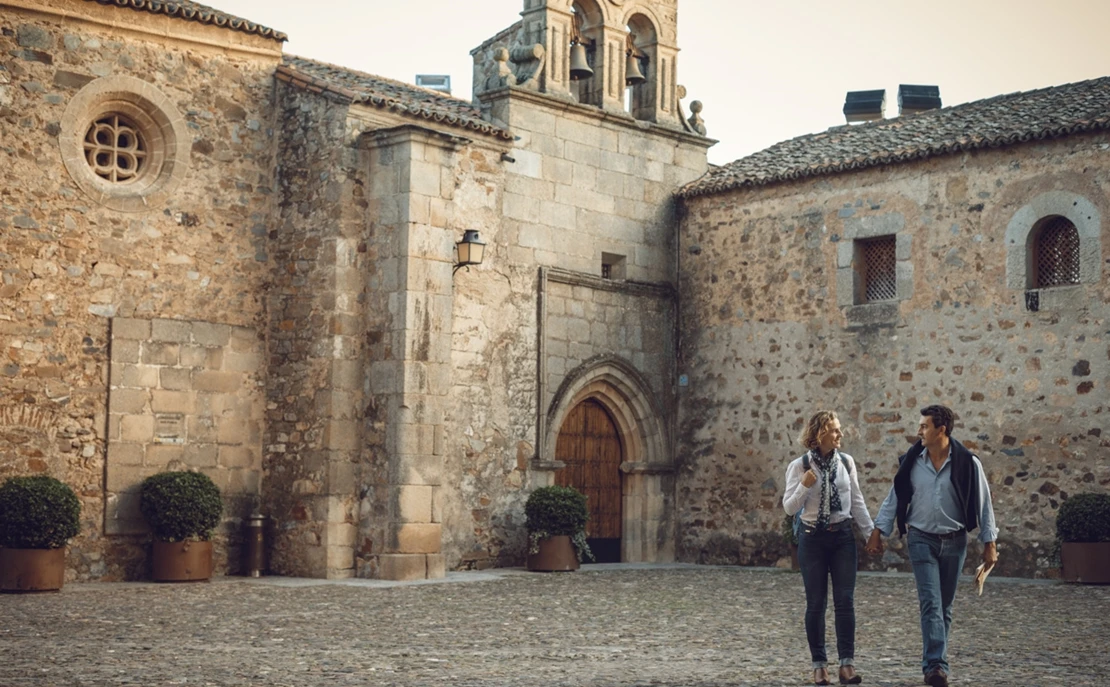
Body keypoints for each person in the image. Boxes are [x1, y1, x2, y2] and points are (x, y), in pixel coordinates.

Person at [866, 405, 998, 687]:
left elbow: (984, 504)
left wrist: (990, 543)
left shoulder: (968, 463)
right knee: (931, 604)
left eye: (924, 426)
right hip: (921, 539)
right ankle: (936, 666)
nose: (919, 431)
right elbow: (895, 497)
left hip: (955, 541)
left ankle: (937, 661)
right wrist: (879, 531)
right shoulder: (912, 462)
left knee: (944, 606)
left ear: (942, 430)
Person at [783, 410, 875, 686]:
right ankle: (819, 665)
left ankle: (846, 665)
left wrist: (871, 534)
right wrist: (803, 486)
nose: (840, 434)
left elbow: (856, 500)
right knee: (816, 603)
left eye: (839, 429)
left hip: (843, 538)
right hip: (812, 540)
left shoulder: (847, 462)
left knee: (845, 602)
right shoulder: (798, 466)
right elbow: (789, 508)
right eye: (835, 430)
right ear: (819, 433)